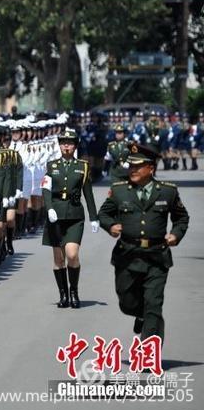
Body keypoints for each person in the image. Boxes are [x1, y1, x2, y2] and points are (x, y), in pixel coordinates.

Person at [98, 143, 189, 342]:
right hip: (127, 254)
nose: (132, 170)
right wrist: (111, 226)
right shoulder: (120, 191)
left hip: (157, 256)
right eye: (130, 166)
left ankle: (150, 350)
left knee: (153, 305)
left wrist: (176, 234)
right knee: (127, 302)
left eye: (137, 166)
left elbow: (181, 218)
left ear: (151, 168)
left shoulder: (167, 192)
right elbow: (103, 214)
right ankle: (142, 315)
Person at [41, 129, 99, 309]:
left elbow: (88, 193)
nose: (66, 145)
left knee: (72, 255)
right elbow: (46, 189)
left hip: (74, 215)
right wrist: (49, 208)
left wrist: (94, 217)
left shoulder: (83, 166)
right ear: (59, 145)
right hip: (55, 216)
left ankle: (74, 291)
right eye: (63, 142)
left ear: (75, 145)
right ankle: (63, 294)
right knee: (59, 259)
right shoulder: (51, 165)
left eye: (70, 142)